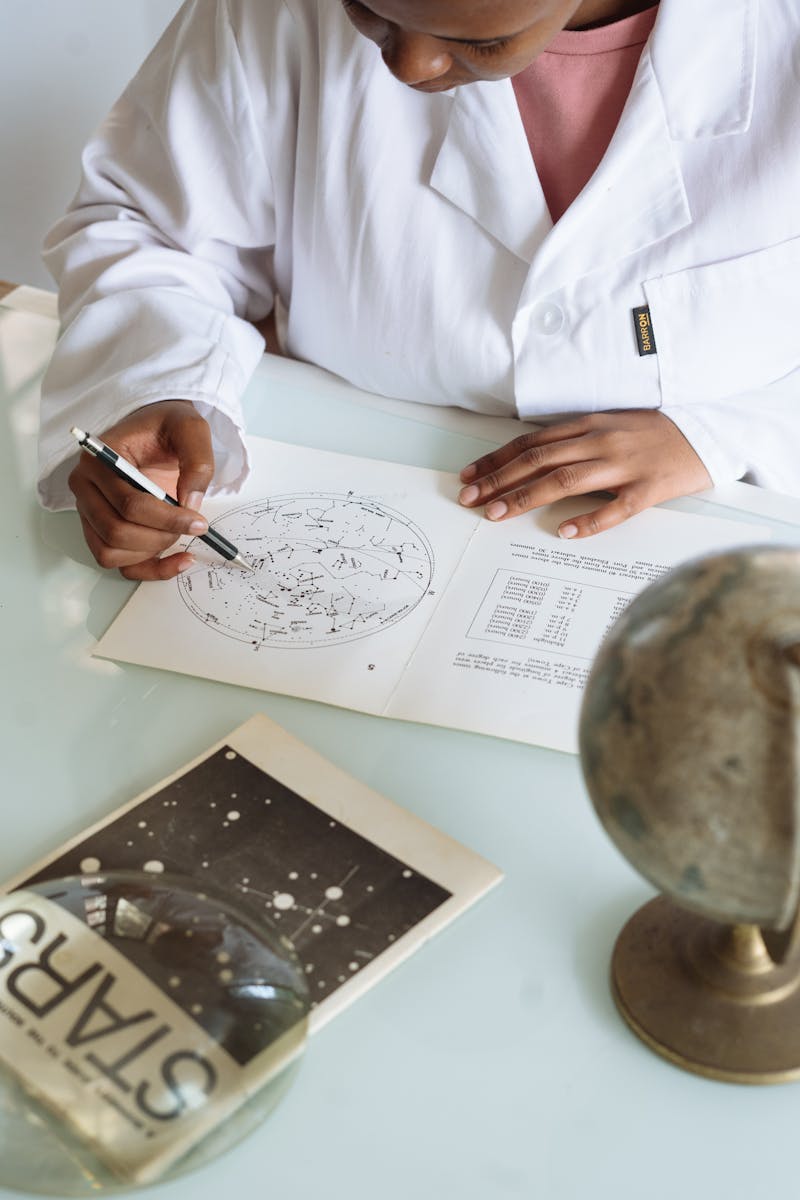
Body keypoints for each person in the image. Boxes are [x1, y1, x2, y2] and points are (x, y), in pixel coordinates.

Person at [37, 0, 800, 580]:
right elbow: (148, 230)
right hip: (349, 507)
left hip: (724, 546)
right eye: (369, 10)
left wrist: (732, 434)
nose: (408, 68)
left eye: (478, 41)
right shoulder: (269, 15)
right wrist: (157, 385)